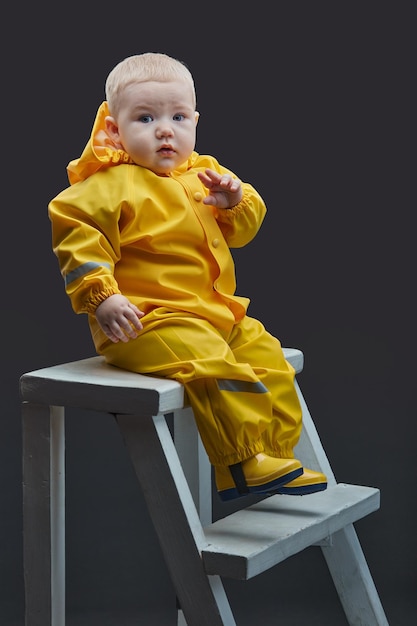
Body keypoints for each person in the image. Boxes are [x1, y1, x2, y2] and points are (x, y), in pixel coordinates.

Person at [48, 52, 327, 501]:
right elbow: (80, 243)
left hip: (216, 313)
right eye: (145, 118)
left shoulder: (203, 174)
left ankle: (274, 454)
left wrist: (235, 200)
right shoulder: (106, 187)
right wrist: (102, 297)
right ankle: (241, 460)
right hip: (147, 321)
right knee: (211, 365)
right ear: (115, 129)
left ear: (195, 121)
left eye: (178, 116)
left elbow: (243, 232)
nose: (165, 129)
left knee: (268, 357)